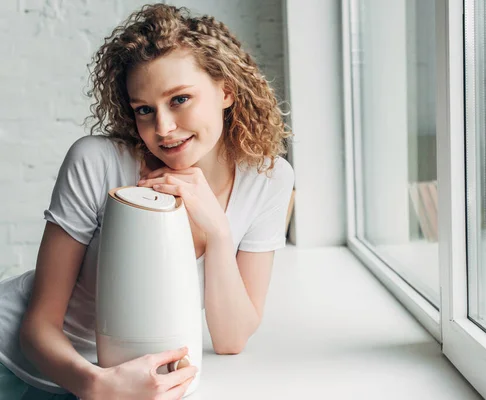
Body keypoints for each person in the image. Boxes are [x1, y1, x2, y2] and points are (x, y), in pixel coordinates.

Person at [0, 4, 294, 399]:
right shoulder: (98, 162)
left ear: (226, 90)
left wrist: (218, 232)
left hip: (131, 385)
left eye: (179, 99)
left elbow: (231, 338)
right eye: (144, 109)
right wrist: (97, 386)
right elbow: (37, 328)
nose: (163, 128)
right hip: (23, 366)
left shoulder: (269, 180)